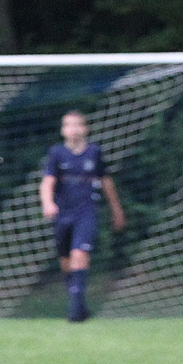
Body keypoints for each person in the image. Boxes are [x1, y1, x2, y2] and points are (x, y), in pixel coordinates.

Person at [40, 110, 125, 322]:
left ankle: (75, 312)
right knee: (66, 261)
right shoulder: (56, 153)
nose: (74, 129)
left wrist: (116, 209)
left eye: (78, 125)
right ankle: (80, 304)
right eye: (69, 125)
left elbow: (105, 181)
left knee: (80, 254)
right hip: (63, 215)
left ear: (85, 128)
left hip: (86, 213)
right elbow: (48, 182)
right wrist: (48, 203)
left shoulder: (94, 152)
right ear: (63, 130)